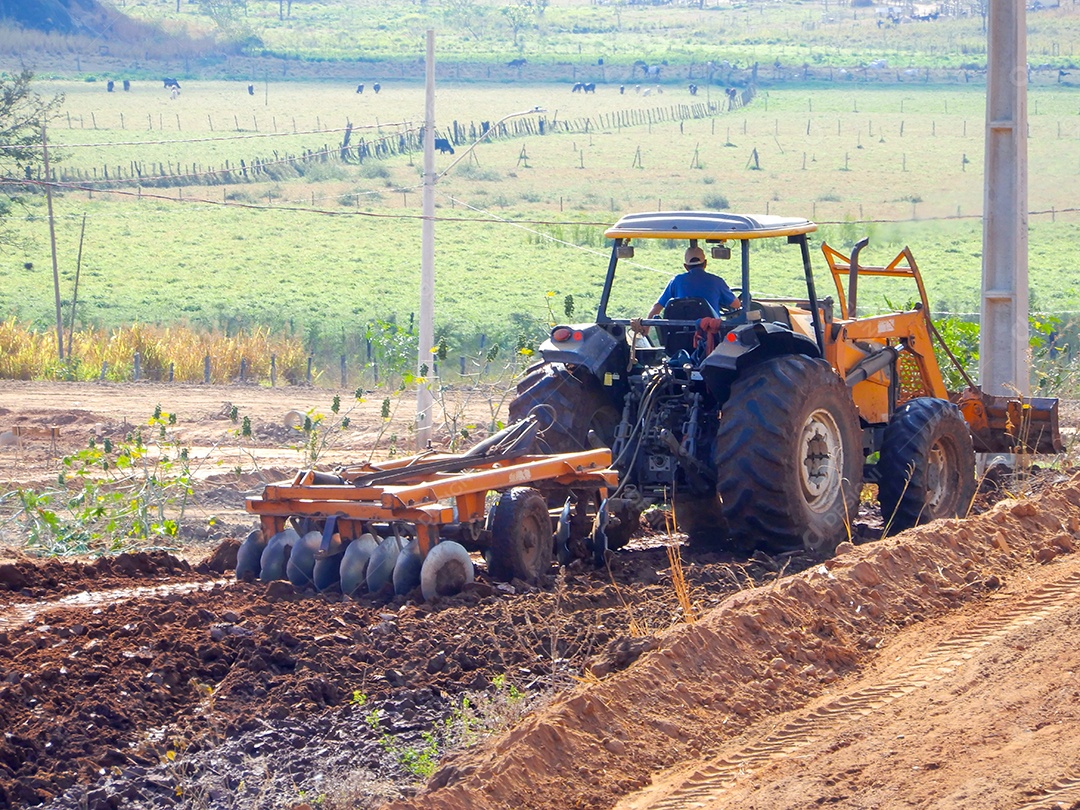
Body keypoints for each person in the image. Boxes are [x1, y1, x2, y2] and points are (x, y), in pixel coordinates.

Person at [647, 245, 740, 321]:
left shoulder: (676, 281)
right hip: (711, 336)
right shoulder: (717, 282)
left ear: (685, 266)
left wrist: (645, 328)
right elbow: (736, 304)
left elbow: (657, 307)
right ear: (705, 263)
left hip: (679, 335)